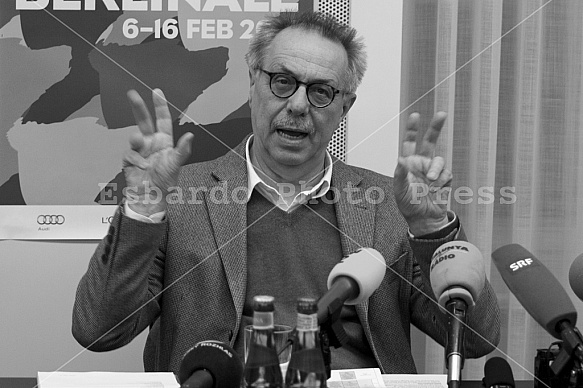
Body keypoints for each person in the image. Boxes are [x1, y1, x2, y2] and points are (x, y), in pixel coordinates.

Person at [72, 11, 500, 373]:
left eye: (320, 92)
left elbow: (476, 339)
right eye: (282, 81)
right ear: (253, 83)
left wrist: (430, 228)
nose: (297, 105)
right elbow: (98, 330)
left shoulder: (390, 204)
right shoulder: (182, 197)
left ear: (343, 107)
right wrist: (142, 212)